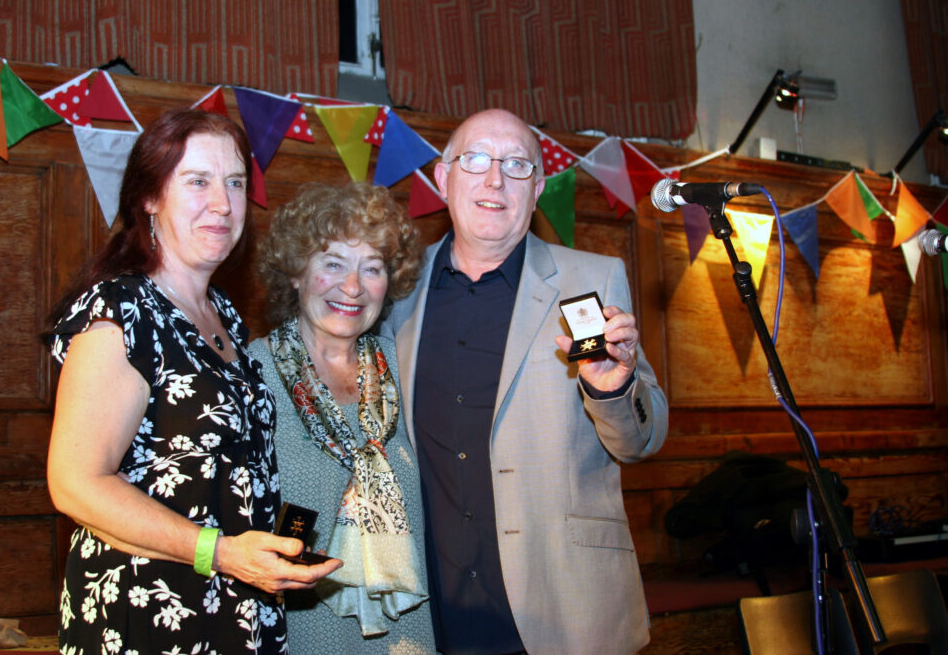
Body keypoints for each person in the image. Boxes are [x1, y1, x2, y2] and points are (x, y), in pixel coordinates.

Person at [45, 109, 342, 654]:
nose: (223, 203)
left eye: (234, 183)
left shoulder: (223, 314)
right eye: (197, 181)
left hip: (236, 609)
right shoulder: (121, 310)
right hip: (149, 612)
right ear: (150, 198)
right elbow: (75, 483)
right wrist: (221, 553)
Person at [383, 108, 669, 655]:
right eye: (476, 160)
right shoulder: (397, 291)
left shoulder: (589, 281)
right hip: (433, 618)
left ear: (537, 189)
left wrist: (611, 390)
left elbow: (641, 443)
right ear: (443, 178)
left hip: (563, 612)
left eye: (517, 165)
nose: (495, 179)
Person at [248, 182, 436, 654]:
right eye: (332, 264)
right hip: (298, 630)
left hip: (410, 632)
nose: (352, 288)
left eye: (371, 269)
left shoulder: (408, 367)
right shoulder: (250, 376)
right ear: (294, 273)